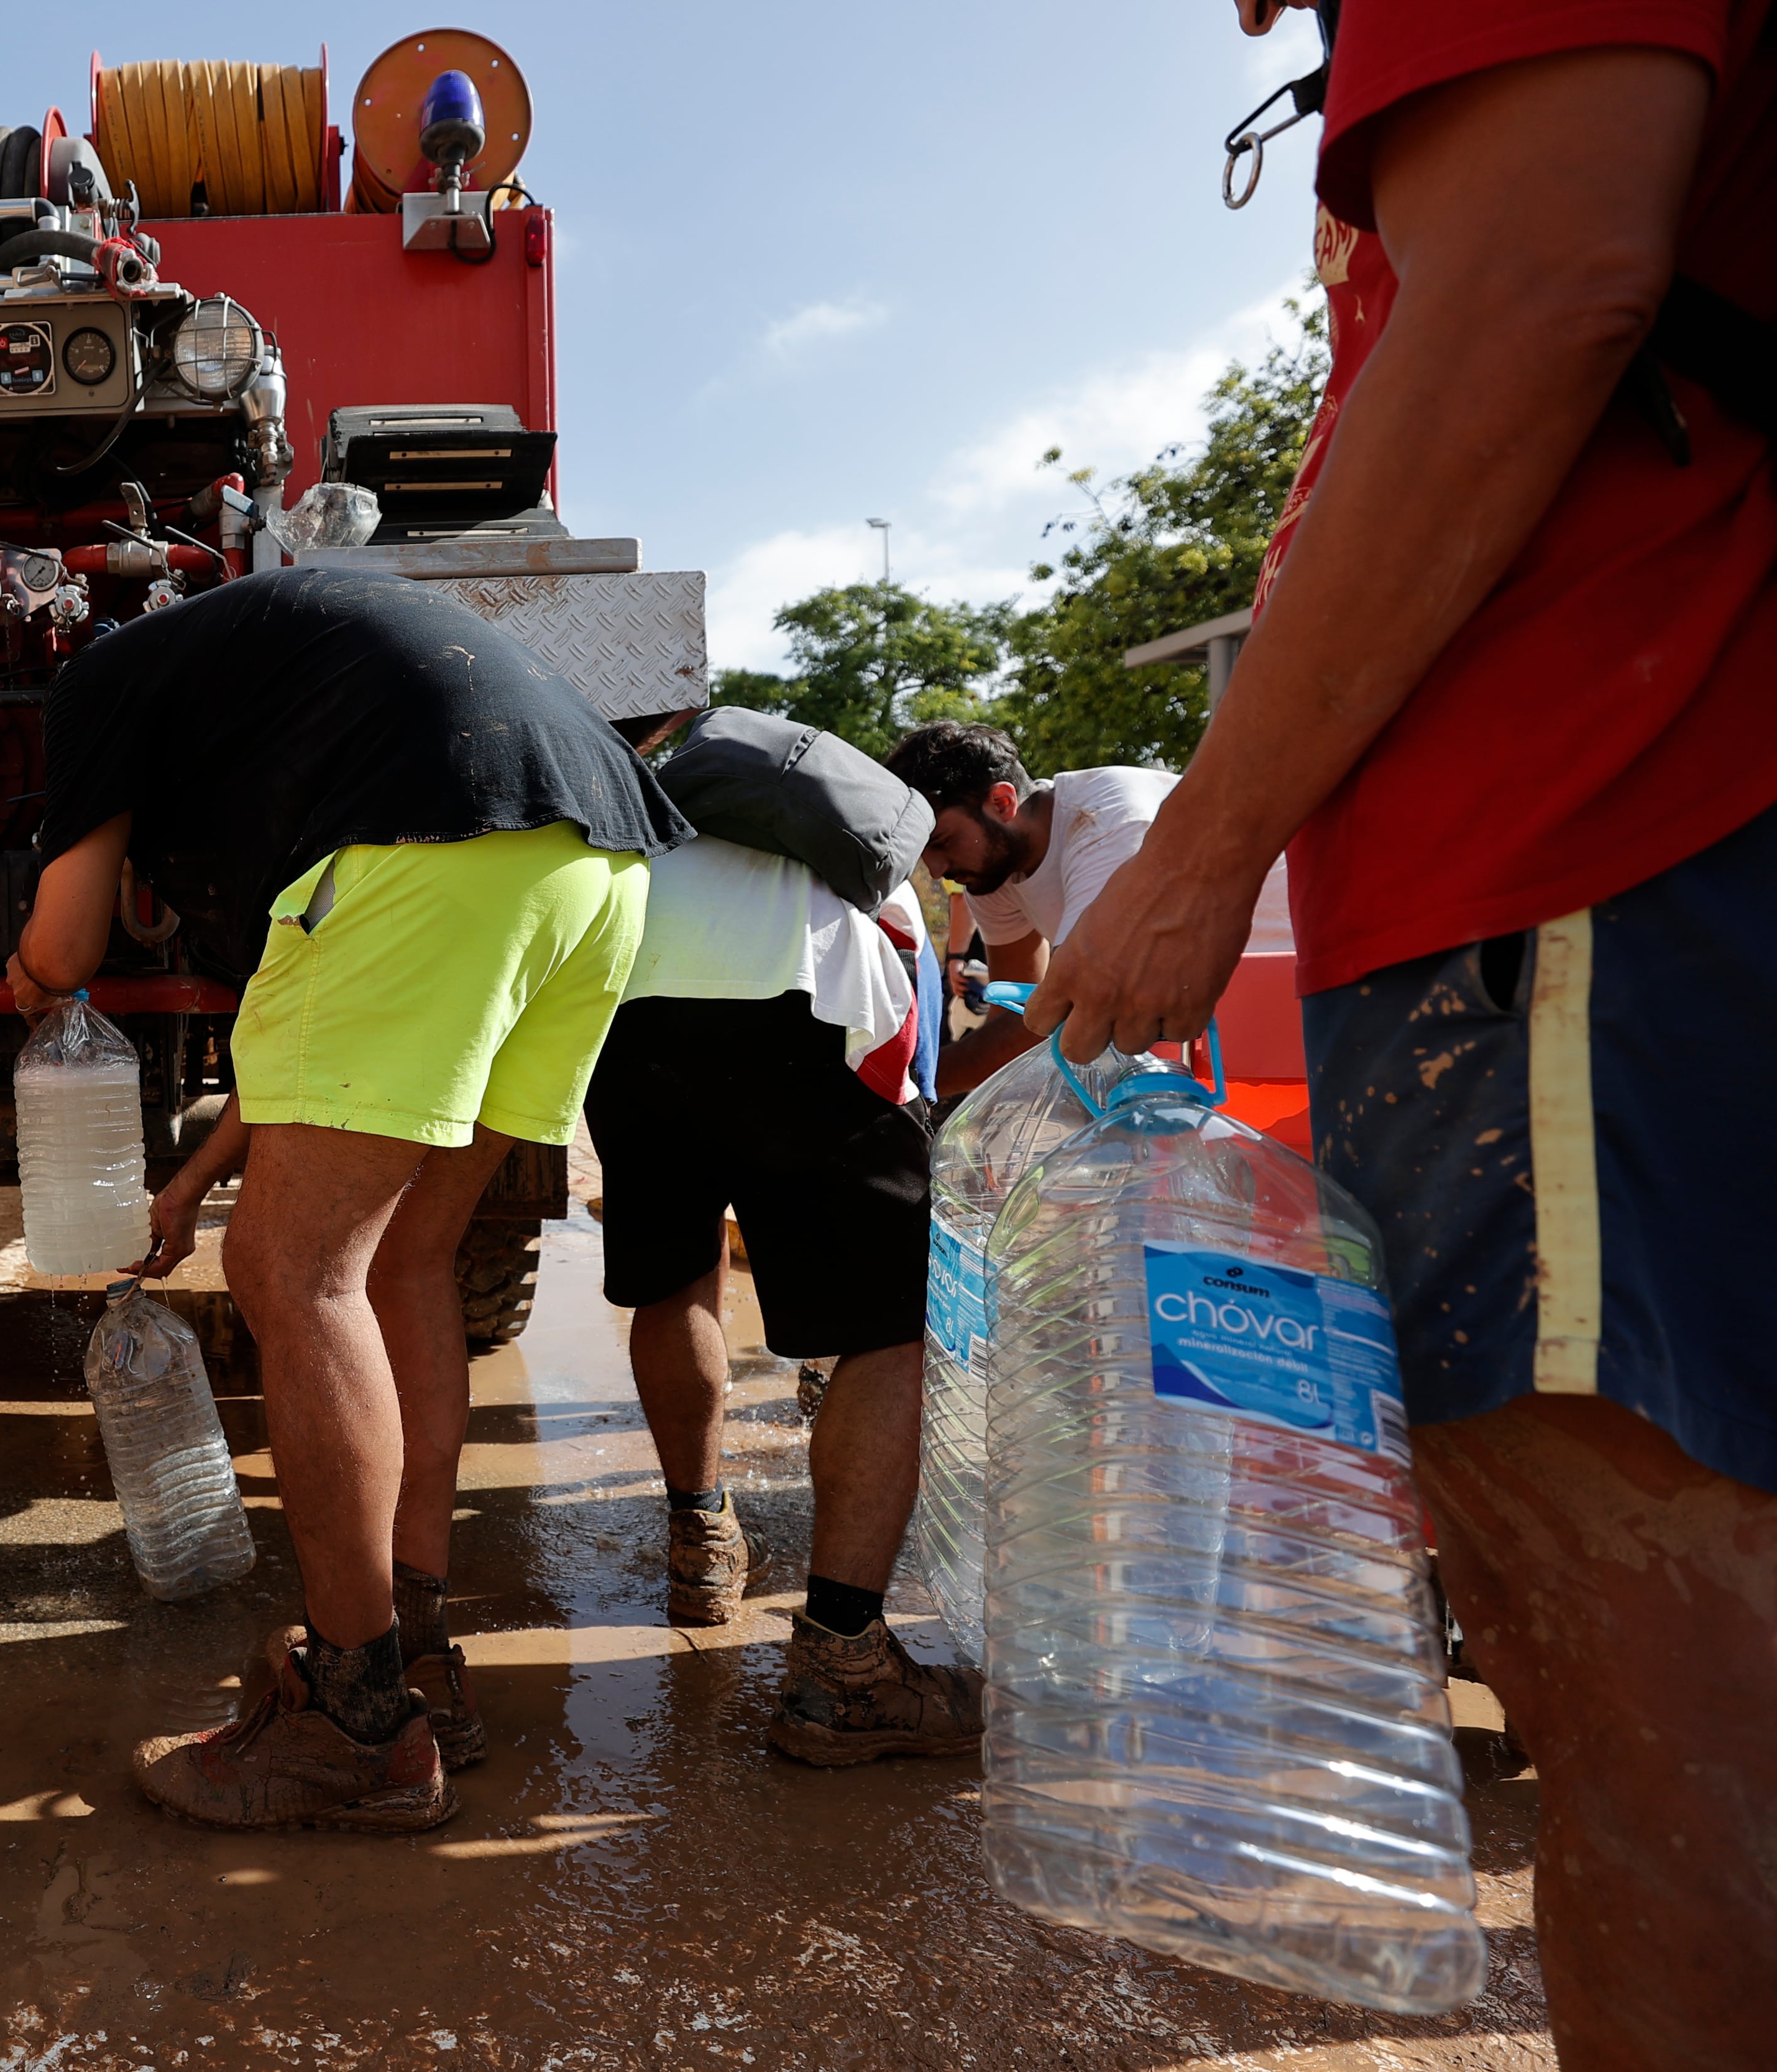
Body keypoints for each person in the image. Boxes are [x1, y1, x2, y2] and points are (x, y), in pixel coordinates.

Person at [1037, 7, 1775, 2065]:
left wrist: (1202, 858)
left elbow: (1545, 285)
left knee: (1657, 1710)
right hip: (1623, 873)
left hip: (1593, 840)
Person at [9, 567, 686, 1832]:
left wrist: (26, 975)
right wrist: (200, 1178)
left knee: (293, 1275)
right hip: (593, 865)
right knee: (399, 1262)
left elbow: (66, 948)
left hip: (428, 853)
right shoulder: (278, 673)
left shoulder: (100, 678)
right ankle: (416, 1651)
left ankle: (354, 1719)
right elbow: (319, 1047)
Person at [587, 711, 978, 1766]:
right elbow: (903, 1030)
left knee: (677, 1282)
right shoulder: (850, 839)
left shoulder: (643, 819)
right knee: (891, 1326)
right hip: (800, 1006)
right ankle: (843, 1662)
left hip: (630, 1016)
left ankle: (700, 1540)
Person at [882, 724, 1292, 1096]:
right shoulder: (993, 870)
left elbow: (1076, 1009)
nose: (935, 870)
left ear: (1002, 801)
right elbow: (1022, 1023)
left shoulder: (1105, 822)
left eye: (943, 841)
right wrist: (913, 1086)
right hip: (1217, 1032)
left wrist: (902, 1088)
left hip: (1283, 1015)